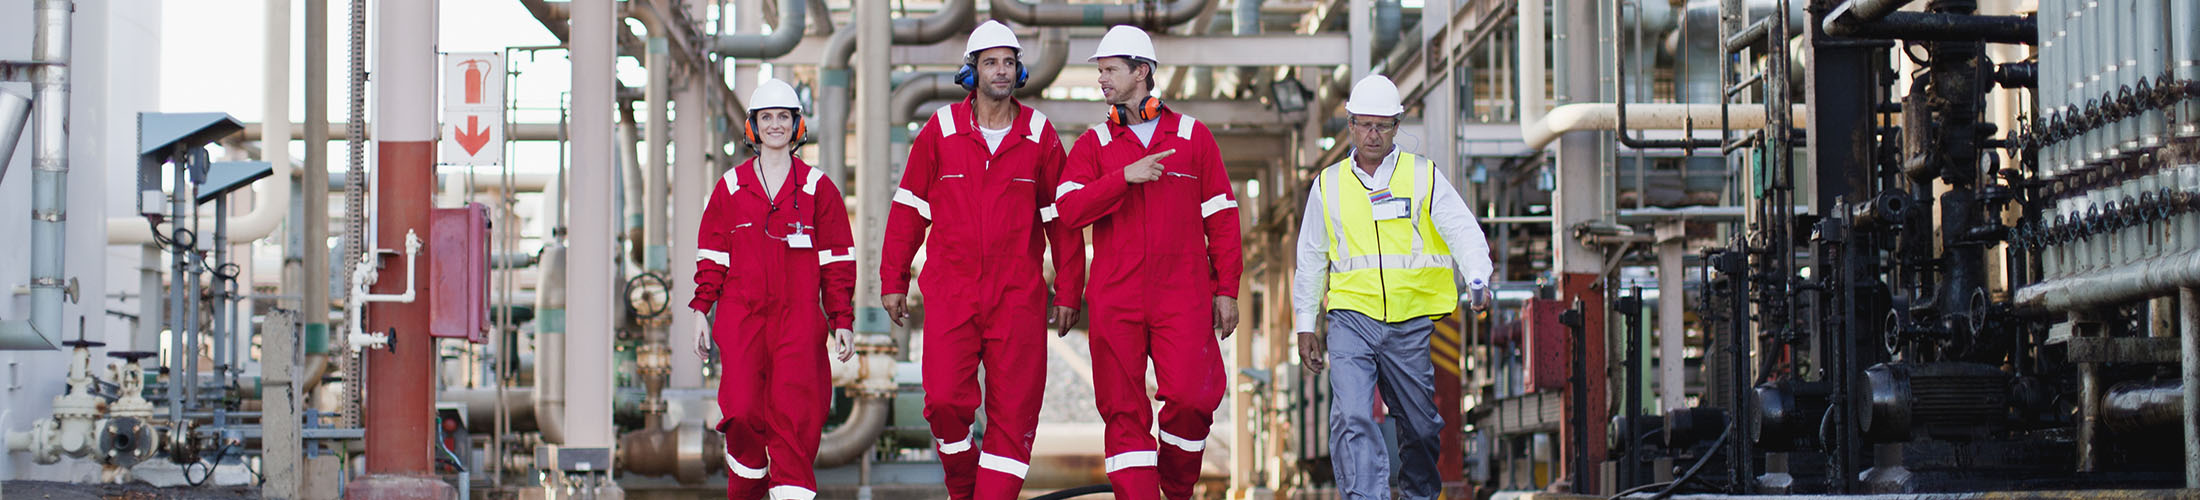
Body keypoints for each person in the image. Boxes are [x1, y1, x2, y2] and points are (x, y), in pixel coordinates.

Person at [879, 20, 1086, 500]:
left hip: (1017, 296)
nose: (1001, 71)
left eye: (1009, 62)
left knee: (1015, 413)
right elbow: (909, 208)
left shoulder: (1039, 134)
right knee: (945, 402)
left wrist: (1070, 290)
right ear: (971, 71)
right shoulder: (941, 131)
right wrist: (893, 278)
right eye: (990, 62)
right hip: (952, 291)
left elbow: (1062, 220)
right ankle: (963, 487)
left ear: (1020, 70)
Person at [1051, 24, 1241, 500]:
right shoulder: (1094, 144)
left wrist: (1228, 289)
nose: (1102, 80)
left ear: (1143, 72)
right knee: (1123, 410)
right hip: (1117, 297)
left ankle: (1176, 489)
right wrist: (1123, 178)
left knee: (1195, 397)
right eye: (1100, 71)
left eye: (1111, 70)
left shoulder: (1192, 137)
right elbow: (1069, 210)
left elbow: (1221, 216)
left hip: (1184, 293)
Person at [1292, 74, 1494, 500]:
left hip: (1409, 323)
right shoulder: (1328, 185)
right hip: (1351, 318)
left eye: (1382, 125)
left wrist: (1478, 275)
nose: (1372, 134)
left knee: (1420, 427)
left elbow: (1461, 228)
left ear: (1397, 126)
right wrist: (1304, 324)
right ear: (1349, 124)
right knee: (1352, 415)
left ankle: (1419, 494)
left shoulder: (1423, 176)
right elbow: (1310, 258)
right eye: (1364, 124)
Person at [689, 78, 856, 500]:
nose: (776, 125)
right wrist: (700, 311)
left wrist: (841, 320)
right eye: (768, 117)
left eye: (784, 117)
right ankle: (748, 484)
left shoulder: (819, 189)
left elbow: (837, 261)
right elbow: (712, 256)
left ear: (797, 126)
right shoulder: (730, 189)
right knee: (742, 412)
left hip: (798, 323)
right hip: (742, 320)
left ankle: (789, 491)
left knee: (794, 417)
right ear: (753, 127)